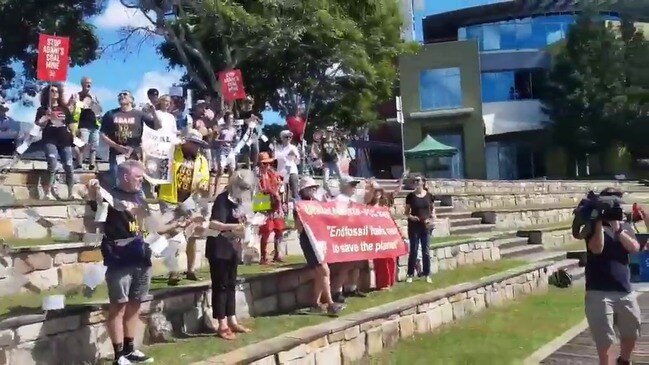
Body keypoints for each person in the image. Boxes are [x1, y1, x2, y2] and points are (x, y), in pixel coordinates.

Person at [86, 160, 184, 365]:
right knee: (118, 306)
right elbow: (93, 218)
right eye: (138, 177)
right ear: (125, 177)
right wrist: (92, 194)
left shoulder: (140, 197)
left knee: (135, 305)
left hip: (142, 257)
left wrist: (177, 224)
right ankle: (119, 355)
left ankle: (131, 350)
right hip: (119, 260)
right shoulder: (108, 195)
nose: (142, 181)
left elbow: (151, 227)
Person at [585, 188, 642, 365]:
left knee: (632, 333)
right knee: (606, 341)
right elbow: (597, 249)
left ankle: (623, 360)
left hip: (624, 290)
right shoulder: (592, 224)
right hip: (598, 292)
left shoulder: (625, 226)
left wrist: (618, 230)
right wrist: (599, 223)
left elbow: (634, 248)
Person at [201, 170, 254, 340]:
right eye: (243, 187)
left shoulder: (239, 201)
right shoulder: (222, 199)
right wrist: (232, 227)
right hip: (219, 247)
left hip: (232, 247)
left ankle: (232, 319)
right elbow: (214, 223)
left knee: (231, 284)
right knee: (221, 285)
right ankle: (222, 323)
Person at [158, 129, 210, 285]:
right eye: (193, 143)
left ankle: (190, 270)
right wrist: (176, 144)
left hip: (191, 200)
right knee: (173, 234)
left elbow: (205, 178)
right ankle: (173, 272)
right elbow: (161, 151)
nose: (196, 147)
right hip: (169, 198)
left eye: (198, 144)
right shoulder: (174, 152)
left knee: (192, 235)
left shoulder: (201, 160)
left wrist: (202, 185)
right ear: (186, 142)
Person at [295, 176, 345, 314]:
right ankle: (330, 303)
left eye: (314, 188)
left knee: (320, 273)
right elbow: (298, 228)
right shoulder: (300, 205)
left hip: (318, 241)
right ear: (304, 190)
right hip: (308, 241)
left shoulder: (316, 203)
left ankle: (315, 304)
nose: (313, 190)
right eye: (310, 188)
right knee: (323, 270)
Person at [100, 91, 158, 187]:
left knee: (135, 182)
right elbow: (102, 134)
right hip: (116, 153)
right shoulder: (110, 114)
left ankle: (136, 201)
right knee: (116, 181)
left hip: (134, 153)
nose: (122, 96)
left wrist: (154, 113)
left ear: (131, 99)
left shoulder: (139, 114)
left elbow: (157, 126)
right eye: (120, 95)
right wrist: (116, 146)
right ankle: (117, 200)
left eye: (125, 94)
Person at [34, 84, 77, 200]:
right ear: (47, 93)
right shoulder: (42, 109)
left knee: (69, 166)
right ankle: (47, 193)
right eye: (52, 91)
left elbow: (71, 123)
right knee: (52, 164)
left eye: (57, 91)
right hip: (49, 139)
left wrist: (74, 135)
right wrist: (46, 116)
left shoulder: (64, 109)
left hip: (65, 140)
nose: (54, 93)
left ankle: (70, 193)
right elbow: (39, 124)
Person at [330, 175, 367, 302]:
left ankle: (352, 287)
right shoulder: (339, 199)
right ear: (345, 186)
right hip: (344, 234)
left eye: (355, 185)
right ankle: (337, 290)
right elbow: (338, 216)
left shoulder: (353, 199)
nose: (354, 188)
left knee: (357, 262)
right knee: (346, 264)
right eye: (352, 185)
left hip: (354, 233)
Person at [404, 174, 435, 283]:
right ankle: (410, 274)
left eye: (418, 180)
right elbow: (406, 213)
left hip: (425, 226)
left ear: (423, 182)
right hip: (414, 226)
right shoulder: (410, 196)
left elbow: (432, 211)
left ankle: (427, 274)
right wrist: (412, 217)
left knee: (425, 251)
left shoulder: (429, 196)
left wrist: (431, 220)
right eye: (414, 181)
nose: (416, 183)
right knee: (414, 250)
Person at [367, 182, 397, 290]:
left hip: (388, 237)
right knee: (381, 262)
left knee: (391, 259)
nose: (377, 193)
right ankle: (383, 284)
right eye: (375, 191)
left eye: (379, 190)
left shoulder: (385, 207)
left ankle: (390, 282)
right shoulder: (368, 208)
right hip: (376, 238)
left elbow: (392, 221)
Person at [257, 152, 285, 264]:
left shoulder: (273, 173)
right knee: (266, 230)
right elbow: (259, 191)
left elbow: (279, 186)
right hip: (262, 202)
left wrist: (278, 194)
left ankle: (278, 253)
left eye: (268, 163)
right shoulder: (256, 175)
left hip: (275, 203)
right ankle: (264, 256)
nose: (267, 165)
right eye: (264, 163)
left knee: (279, 229)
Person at [69, 76, 102, 170]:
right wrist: (74, 103)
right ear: (82, 84)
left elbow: (98, 110)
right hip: (82, 124)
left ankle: (92, 164)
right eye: (87, 82)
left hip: (94, 125)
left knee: (94, 146)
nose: (89, 84)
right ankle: (79, 163)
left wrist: (96, 105)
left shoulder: (93, 96)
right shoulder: (76, 95)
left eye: (90, 83)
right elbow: (71, 108)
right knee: (81, 145)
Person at [274, 130, 300, 201]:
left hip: (292, 171)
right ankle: (281, 209)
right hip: (281, 173)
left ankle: (297, 208)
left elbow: (297, 162)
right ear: (282, 138)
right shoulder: (277, 148)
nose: (288, 138)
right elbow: (274, 158)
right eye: (286, 137)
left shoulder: (293, 148)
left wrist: (295, 157)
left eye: (290, 137)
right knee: (280, 193)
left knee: (294, 192)